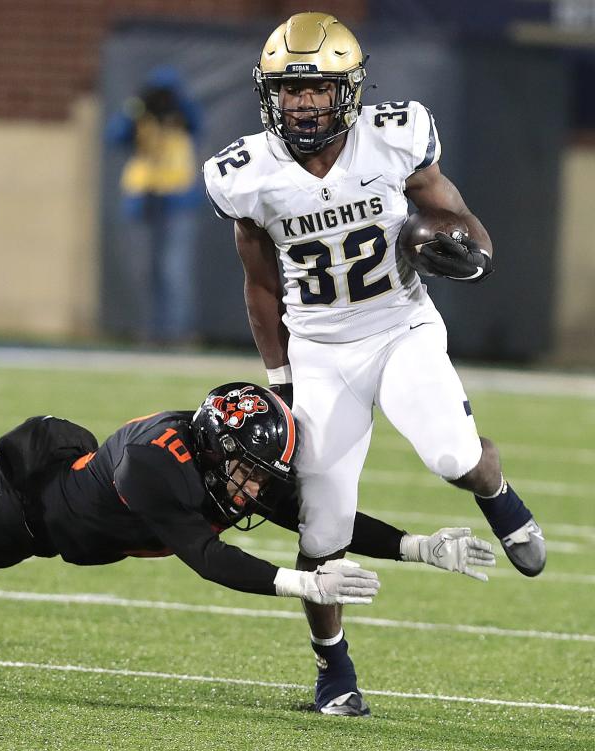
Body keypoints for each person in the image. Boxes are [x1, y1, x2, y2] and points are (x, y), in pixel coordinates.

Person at [0, 383, 494, 715]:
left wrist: (419, 545)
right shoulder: (160, 462)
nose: (255, 489)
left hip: (36, 532)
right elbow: (206, 559)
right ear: (213, 450)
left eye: (261, 474)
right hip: (5, 510)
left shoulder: (227, 462)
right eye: (248, 472)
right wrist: (296, 584)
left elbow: (321, 514)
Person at [203, 12, 545, 716]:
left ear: (347, 90)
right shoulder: (249, 175)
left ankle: (499, 491)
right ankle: (335, 673)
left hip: (401, 327)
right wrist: (282, 378)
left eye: (316, 88)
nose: (301, 103)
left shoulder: (393, 138)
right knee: (322, 526)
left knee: (454, 455)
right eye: (288, 90)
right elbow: (261, 286)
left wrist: (471, 249)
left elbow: (458, 216)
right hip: (321, 352)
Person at [106, 66, 203, 344]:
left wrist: (178, 104)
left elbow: (199, 124)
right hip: (143, 199)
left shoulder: (183, 115)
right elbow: (114, 136)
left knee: (175, 270)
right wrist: (136, 107)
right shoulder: (139, 114)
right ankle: (149, 331)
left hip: (177, 199)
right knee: (144, 270)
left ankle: (178, 333)